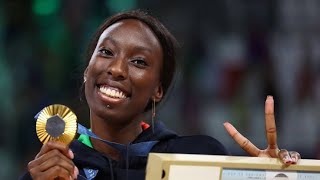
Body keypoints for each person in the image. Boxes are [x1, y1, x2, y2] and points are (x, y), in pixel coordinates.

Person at [20, 10, 300, 180]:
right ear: (87, 71)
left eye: (139, 62)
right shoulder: (55, 169)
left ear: (158, 90)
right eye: (106, 52)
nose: (117, 69)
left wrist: (269, 175)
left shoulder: (197, 157)